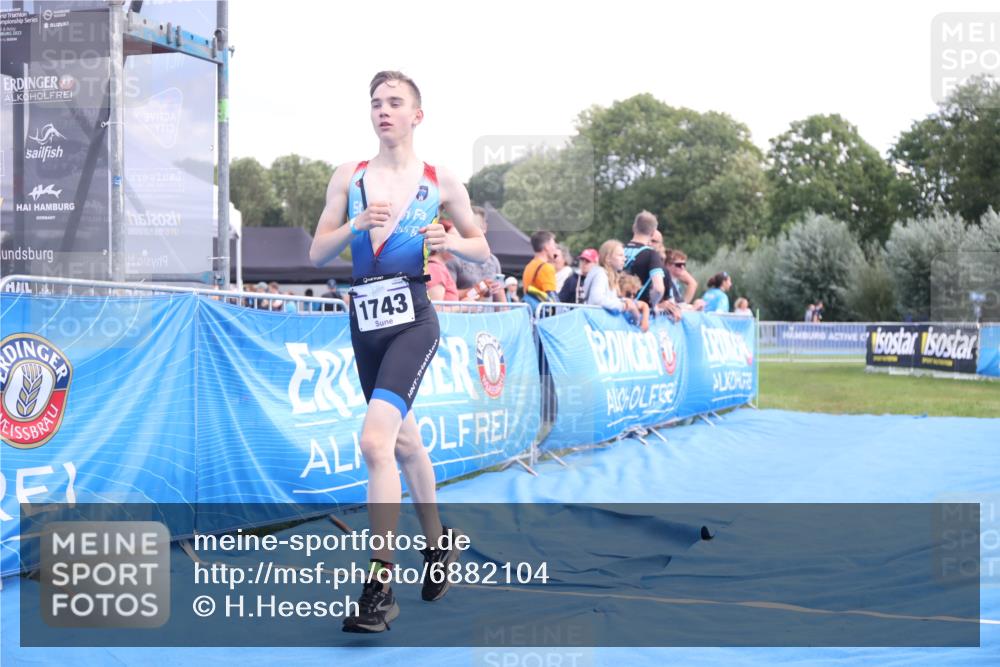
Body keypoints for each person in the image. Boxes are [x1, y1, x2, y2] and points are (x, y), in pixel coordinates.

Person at [309, 70, 489, 634]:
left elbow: (482, 252)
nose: (382, 111)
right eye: (375, 103)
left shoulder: (442, 183)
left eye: (394, 103)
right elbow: (316, 254)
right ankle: (438, 547)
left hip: (414, 319)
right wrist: (354, 225)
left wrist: (452, 242)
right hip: (365, 322)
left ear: (417, 115)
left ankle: (378, 587)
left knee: (374, 440)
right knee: (405, 442)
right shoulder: (350, 177)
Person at [446, 205, 506, 303]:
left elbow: (500, 294)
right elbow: (447, 295)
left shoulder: (493, 260)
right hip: (462, 316)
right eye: (470, 226)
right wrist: (477, 290)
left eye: (477, 226)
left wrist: (506, 315)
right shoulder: (452, 258)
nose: (473, 230)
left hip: (487, 317)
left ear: (485, 227)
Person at [582, 240, 643, 327]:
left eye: (624, 255)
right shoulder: (600, 274)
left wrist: (624, 301)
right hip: (592, 323)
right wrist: (623, 305)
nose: (624, 259)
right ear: (608, 259)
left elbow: (607, 299)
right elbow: (597, 300)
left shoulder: (608, 275)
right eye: (620, 255)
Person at [622, 211, 666, 309]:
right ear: (653, 232)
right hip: (639, 311)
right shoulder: (651, 254)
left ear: (634, 227)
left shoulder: (618, 249)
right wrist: (653, 304)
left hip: (616, 308)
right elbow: (658, 289)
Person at [522, 230, 558, 299]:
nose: (555, 248)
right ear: (546, 247)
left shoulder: (528, 266)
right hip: (543, 309)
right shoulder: (546, 268)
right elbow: (553, 298)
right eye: (553, 244)